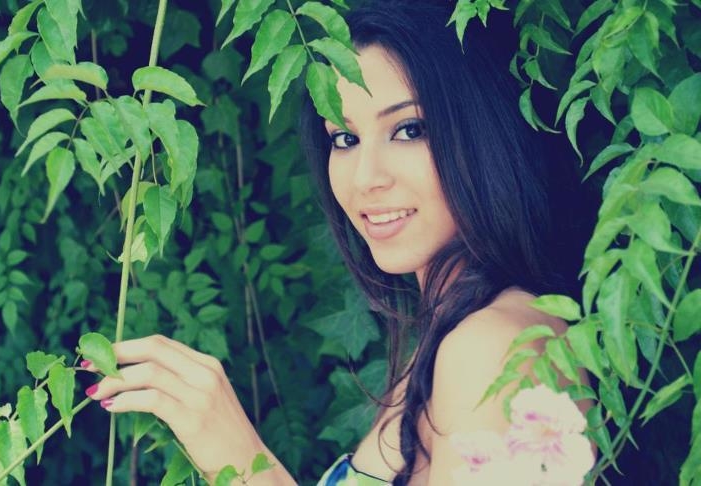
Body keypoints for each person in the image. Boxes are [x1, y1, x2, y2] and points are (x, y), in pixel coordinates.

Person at [83, 1, 593, 484]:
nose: (366, 178)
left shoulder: (492, 347)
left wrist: (236, 454)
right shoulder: (455, 338)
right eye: (344, 138)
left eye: (409, 129)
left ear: (485, 134)